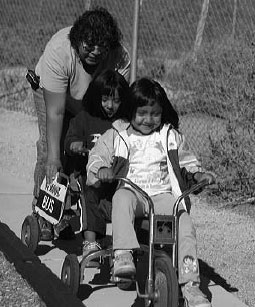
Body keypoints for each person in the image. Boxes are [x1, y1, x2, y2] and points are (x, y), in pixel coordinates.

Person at [86, 77, 215, 307]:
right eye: (142, 113)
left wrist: (197, 175)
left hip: (162, 197)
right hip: (132, 192)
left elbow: (187, 163)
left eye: (155, 113)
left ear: (162, 112)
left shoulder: (168, 136)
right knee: (121, 197)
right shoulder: (119, 135)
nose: (148, 119)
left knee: (184, 224)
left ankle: (191, 286)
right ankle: (123, 254)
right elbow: (97, 156)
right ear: (131, 111)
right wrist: (101, 169)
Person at [30, 6, 130, 238]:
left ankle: (68, 212)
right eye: (89, 45)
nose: (95, 51)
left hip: (92, 102)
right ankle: (44, 214)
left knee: (86, 150)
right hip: (54, 94)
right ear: (77, 41)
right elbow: (55, 112)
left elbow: (117, 105)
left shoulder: (120, 57)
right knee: (51, 151)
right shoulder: (59, 51)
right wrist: (55, 158)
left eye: (101, 47)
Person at [63, 69, 130, 246]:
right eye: (105, 99)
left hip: (117, 174)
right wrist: (74, 144)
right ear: (95, 97)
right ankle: (90, 242)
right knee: (90, 192)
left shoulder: (124, 123)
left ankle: (124, 243)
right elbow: (70, 138)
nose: (110, 105)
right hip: (88, 174)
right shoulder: (85, 118)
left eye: (116, 100)